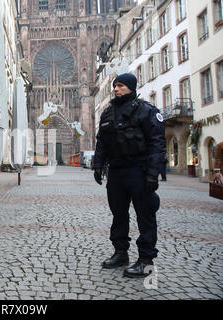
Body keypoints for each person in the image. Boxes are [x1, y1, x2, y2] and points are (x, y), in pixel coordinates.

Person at [93, 73, 166, 278]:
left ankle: (146, 259)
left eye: (121, 85)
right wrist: (98, 165)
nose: (116, 89)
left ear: (132, 88)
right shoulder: (107, 113)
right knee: (119, 213)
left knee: (145, 215)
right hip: (116, 171)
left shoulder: (146, 111)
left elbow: (157, 144)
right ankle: (121, 252)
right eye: (115, 86)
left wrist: (153, 173)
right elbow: (102, 143)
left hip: (139, 170)